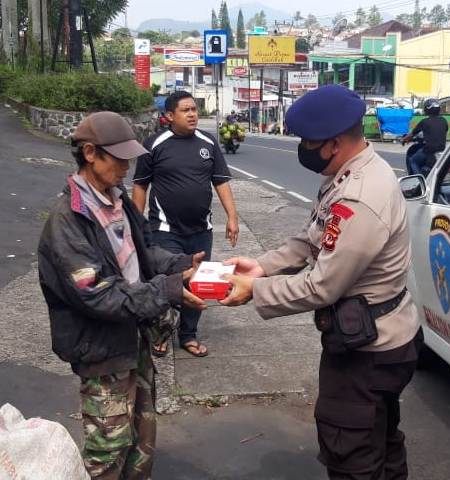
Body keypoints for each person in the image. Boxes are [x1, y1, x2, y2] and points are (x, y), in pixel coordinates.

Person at [219, 84, 423, 479]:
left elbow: (322, 285)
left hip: (369, 353)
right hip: (376, 339)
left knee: (352, 454)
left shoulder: (361, 197)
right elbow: (311, 238)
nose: (302, 148)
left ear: (332, 143)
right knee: (380, 441)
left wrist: (254, 291)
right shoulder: (346, 174)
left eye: (307, 142)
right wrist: (261, 266)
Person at [37, 111, 207, 479]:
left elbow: (143, 250)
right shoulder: (68, 219)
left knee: (141, 439)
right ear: (90, 153)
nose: (128, 167)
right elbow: (98, 296)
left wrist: (180, 265)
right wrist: (168, 289)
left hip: (134, 337)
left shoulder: (116, 199)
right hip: (101, 349)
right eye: (119, 158)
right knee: (107, 450)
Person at [133, 91, 240, 358]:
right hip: (165, 230)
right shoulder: (154, 144)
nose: (192, 114)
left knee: (200, 282)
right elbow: (140, 186)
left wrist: (232, 217)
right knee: (168, 282)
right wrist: (136, 224)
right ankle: (160, 333)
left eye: (194, 109)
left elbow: (220, 181)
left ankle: (188, 335)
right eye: (186, 110)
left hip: (201, 231)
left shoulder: (208, 142)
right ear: (170, 116)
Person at [402, 98, 449, 175]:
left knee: (413, 161)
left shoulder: (424, 122)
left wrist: (403, 139)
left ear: (426, 110)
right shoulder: (444, 120)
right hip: (442, 150)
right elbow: (440, 132)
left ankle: (419, 181)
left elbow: (411, 135)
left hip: (429, 150)